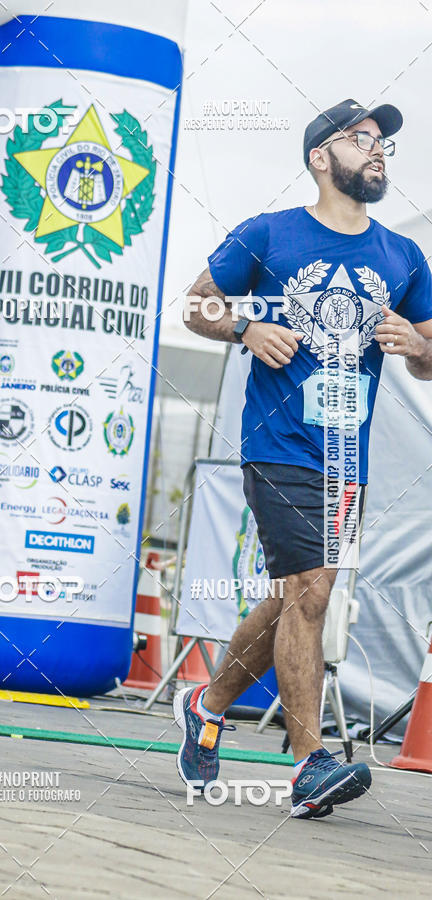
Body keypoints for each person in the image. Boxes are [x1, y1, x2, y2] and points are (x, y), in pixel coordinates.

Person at [177, 98, 432, 819]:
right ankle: (308, 763)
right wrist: (248, 327)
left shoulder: (403, 256)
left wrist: (419, 348)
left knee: (296, 597)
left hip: (346, 460)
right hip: (278, 445)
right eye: (362, 139)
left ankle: (208, 702)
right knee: (313, 591)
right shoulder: (269, 234)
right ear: (322, 157)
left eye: (383, 143)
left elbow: (431, 357)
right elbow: (196, 306)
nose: (378, 151)